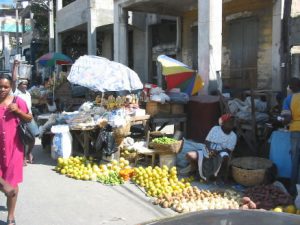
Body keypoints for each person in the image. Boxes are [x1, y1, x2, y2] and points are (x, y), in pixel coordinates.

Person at [0, 73, 33, 225]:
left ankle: (11, 216)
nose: (2, 89)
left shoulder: (17, 101)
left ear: (11, 87)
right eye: (0, 86)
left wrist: (18, 111)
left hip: (14, 149)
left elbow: (29, 118)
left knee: (12, 186)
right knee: (5, 185)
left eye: (5, 86)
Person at [184, 114, 237, 182]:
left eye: (232, 122)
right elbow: (207, 142)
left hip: (221, 153)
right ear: (223, 123)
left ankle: (217, 176)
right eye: (229, 122)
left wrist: (217, 152)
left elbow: (229, 150)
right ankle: (195, 171)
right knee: (189, 155)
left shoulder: (233, 136)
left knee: (225, 155)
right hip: (208, 150)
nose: (231, 124)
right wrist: (209, 151)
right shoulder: (215, 129)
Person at [12, 61, 38, 164]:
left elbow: (29, 107)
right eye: (23, 84)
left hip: (28, 117)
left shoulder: (28, 94)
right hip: (18, 118)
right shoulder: (16, 92)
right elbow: (14, 80)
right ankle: (22, 158)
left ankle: (29, 153)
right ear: (19, 85)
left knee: (32, 137)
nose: (26, 86)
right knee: (21, 139)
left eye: (27, 84)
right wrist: (15, 66)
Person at [281, 77, 300, 195]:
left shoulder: (289, 99)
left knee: (295, 160)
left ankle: (294, 190)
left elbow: (286, 119)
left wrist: (282, 120)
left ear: (291, 87)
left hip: (295, 131)